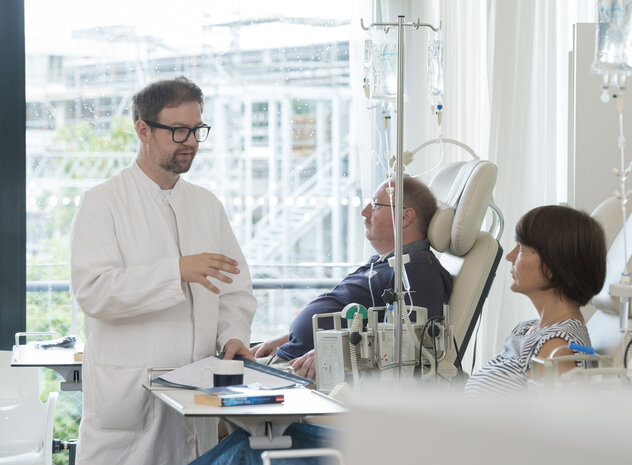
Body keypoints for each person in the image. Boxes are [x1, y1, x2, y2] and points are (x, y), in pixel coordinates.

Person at [69, 76, 256, 464]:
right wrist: (176, 272)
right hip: (129, 402)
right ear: (143, 130)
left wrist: (233, 335)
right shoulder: (103, 203)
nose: (190, 141)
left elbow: (234, 290)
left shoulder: (207, 205)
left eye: (197, 130)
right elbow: (94, 292)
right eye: (178, 131)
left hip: (197, 395)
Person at [251, 175, 453, 379]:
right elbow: (351, 318)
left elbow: (408, 343)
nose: (364, 212)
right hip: (288, 357)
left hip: (312, 372)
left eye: (375, 205)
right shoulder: (385, 263)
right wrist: (284, 340)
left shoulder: (416, 269)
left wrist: (334, 352)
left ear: (405, 217)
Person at [465, 205, 606, 395]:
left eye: (521, 248)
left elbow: (544, 423)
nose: (509, 256)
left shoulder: (558, 346)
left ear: (552, 264)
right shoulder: (526, 330)